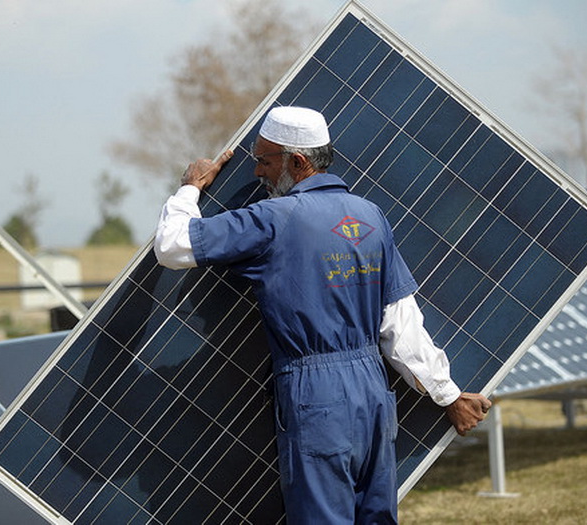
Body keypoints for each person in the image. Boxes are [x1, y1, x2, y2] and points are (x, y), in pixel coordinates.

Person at [154, 106, 491, 524]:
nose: (256, 172)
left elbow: (171, 245)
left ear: (296, 162)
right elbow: (400, 323)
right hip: (373, 393)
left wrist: (190, 189)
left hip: (316, 398)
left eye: (263, 160)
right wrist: (448, 393)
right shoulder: (371, 216)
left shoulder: (274, 219)